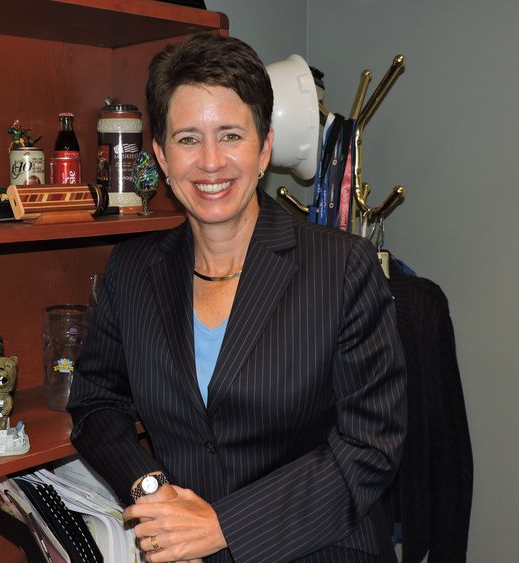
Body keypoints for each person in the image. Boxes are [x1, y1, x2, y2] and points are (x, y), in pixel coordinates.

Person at [67, 33, 406, 563]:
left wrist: (224, 524)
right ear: (159, 154)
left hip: (321, 546)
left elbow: (370, 448)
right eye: (185, 139)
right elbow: (94, 403)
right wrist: (150, 490)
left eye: (230, 135)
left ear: (264, 146)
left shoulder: (343, 268)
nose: (209, 162)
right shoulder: (132, 270)